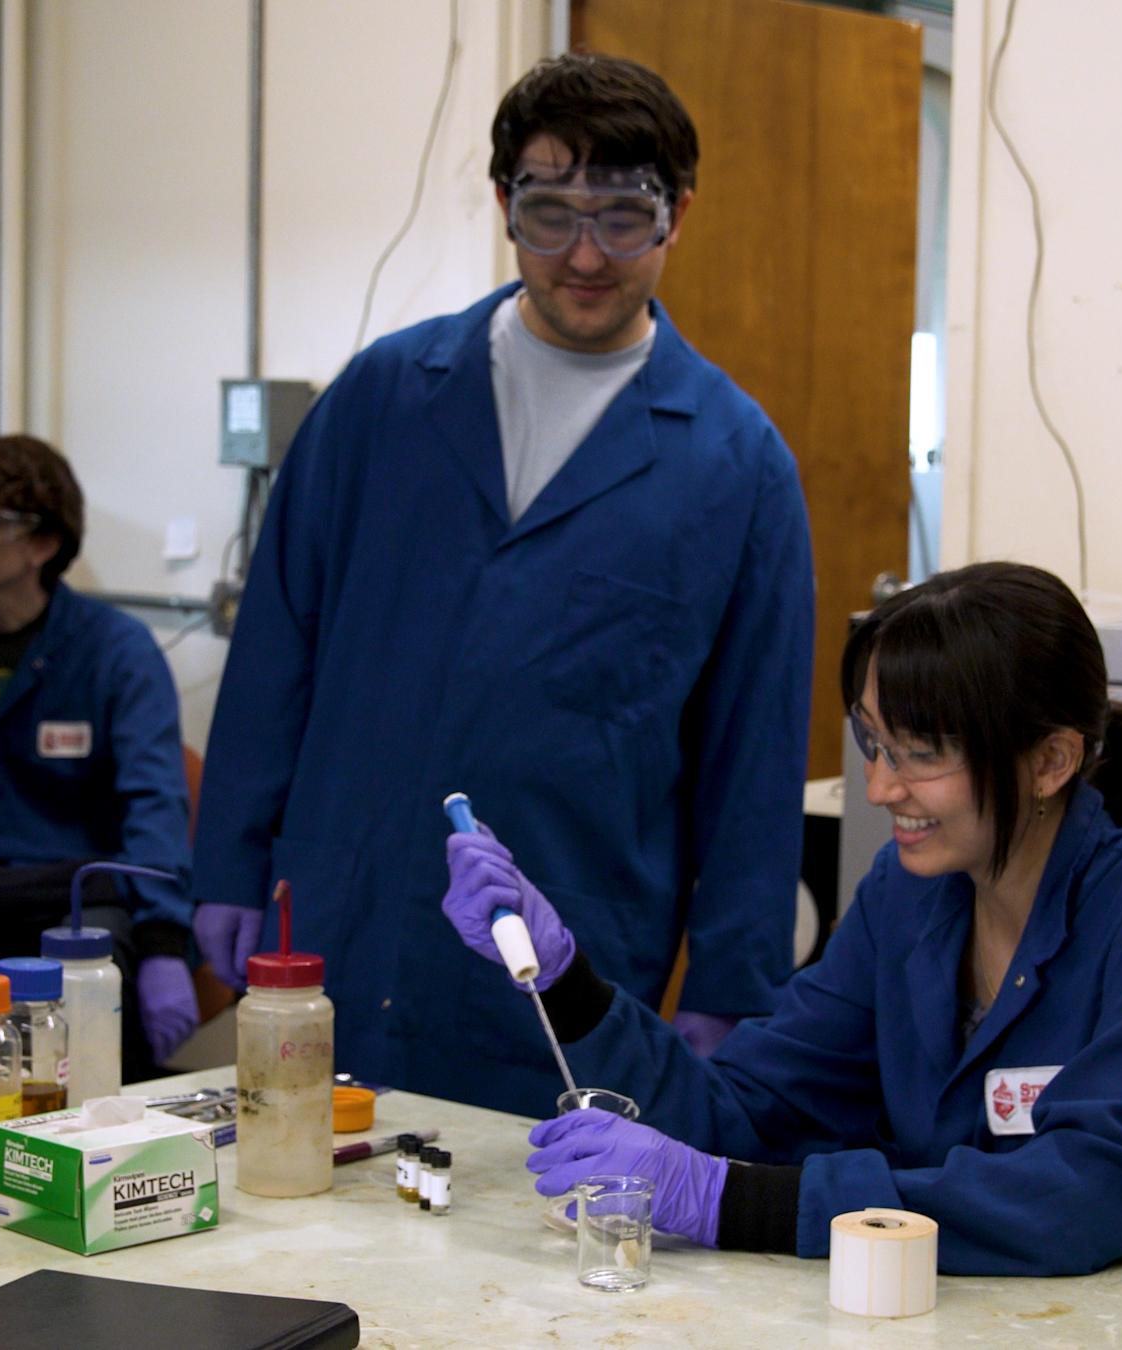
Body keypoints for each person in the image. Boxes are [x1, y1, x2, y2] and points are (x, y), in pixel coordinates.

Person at [190, 53, 816, 1116]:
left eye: (622, 215)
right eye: (548, 211)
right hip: (342, 924)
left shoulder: (736, 465)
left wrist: (733, 982)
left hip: (566, 968)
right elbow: (276, 650)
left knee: (532, 1258)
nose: (583, 254)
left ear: (679, 216)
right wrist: (229, 862)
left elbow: (754, 757)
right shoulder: (384, 399)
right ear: (501, 204)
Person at [441, 562, 1122, 1275]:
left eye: (922, 755)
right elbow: (743, 1114)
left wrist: (732, 1203)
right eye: (874, 744)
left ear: (1052, 760)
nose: (880, 789)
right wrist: (566, 981)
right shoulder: (909, 896)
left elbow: (1090, 1194)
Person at [0, 435, 198, 1082]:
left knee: (85, 1063)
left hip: (74, 900)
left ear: (43, 546)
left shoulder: (117, 652)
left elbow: (154, 804)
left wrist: (165, 945)